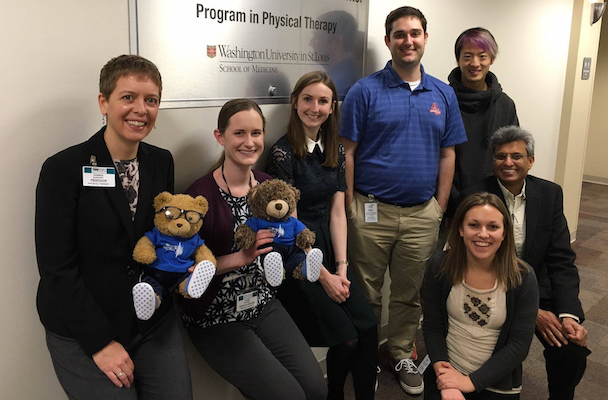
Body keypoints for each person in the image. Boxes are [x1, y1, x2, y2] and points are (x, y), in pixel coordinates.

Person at [35, 54, 192, 399]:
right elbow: (56, 269)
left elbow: (160, 235)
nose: (141, 109)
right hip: (85, 324)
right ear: (104, 103)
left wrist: (184, 265)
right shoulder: (63, 169)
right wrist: (100, 343)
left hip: (149, 316)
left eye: (151, 100)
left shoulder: (161, 161)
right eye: (128, 97)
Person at [339, 6, 467, 394]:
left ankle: (400, 352)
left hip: (422, 215)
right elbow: (347, 152)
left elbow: (448, 154)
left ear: (425, 38)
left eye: (414, 33)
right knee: (366, 294)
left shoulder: (443, 94)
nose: (407, 41)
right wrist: (351, 206)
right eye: (399, 34)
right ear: (388, 40)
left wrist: (439, 207)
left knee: (410, 295)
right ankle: (365, 360)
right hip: (370, 211)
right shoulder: (364, 91)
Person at [178, 99, 327, 400]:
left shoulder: (270, 187)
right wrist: (239, 258)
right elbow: (183, 272)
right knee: (289, 397)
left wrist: (305, 254)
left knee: (316, 389)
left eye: (256, 133)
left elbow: (287, 240)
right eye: (239, 133)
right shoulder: (199, 196)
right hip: (216, 316)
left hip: (263, 304)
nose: (249, 142)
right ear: (220, 137)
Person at [267, 71, 379, 400]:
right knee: (347, 339)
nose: (314, 108)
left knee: (368, 326)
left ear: (332, 108)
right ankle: (334, 394)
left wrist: (342, 268)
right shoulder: (282, 154)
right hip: (298, 254)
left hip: (330, 247)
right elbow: (291, 225)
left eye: (323, 101)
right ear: (295, 102)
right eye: (308, 99)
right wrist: (325, 277)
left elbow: (337, 212)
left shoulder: (336, 151)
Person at [462, 126, 590, 400]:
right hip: (491, 289)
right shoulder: (476, 195)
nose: (508, 162)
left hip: (539, 288)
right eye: (501, 156)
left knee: (570, 348)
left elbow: (561, 259)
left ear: (530, 161)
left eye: (516, 156)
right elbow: (474, 260)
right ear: (493, 161)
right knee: (497, 355)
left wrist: (568, 314)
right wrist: (532, 312)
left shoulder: (550, 194)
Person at [423, 192, 539, 399]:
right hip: (447, 371)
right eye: (474, 225)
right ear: (461, 229)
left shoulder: (523, 277)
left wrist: (468, 382)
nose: (483, 234)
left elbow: (518, 346)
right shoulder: (440, 266)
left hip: (496, 381)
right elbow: (433, 326)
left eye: (493, 227)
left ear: (504, 233)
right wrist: (446, 377)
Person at [448, 27, 519, 209]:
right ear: (458, 59)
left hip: (492, 201)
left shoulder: (505, 105)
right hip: (448, 200)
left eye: (482, 56)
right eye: (467, 56)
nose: (475, 63)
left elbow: (511, 156)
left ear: (491, 59)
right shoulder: (443, 100)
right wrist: (450, 200)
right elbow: (435, 155)